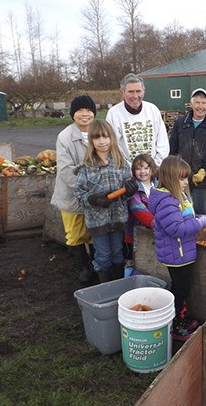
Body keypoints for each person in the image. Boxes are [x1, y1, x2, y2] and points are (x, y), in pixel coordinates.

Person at [148, 155, 206, 341]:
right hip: (176, 254)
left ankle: (180, 317)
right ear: (171, 178)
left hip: (181, 252)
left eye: (186, 177)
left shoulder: (176, 197)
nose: (185, 182)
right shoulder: (167, 202)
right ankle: (174, 324)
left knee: (183, 287)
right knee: (181, 288)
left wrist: (201, 216)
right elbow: (177, 228)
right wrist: (203, 221)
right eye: (181, 178)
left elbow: (185, 218)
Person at [74, 120, 139, 282]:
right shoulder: (87, 167)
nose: (102, 142)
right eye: (97, 138)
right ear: (91, 141)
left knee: (117, 253)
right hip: (98, 221)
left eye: (105, 137)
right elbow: (79, 194)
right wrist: (94, 199)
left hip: (118, 218)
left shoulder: (121, 163)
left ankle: (117, 286)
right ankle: (105, 287)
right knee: (103, 255)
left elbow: (127, 189)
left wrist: (130, 190)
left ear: (112, 138)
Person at [51, 95, 98, 284]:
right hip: (72, 194)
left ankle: (96, 264)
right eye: (80, 111)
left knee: (95, 230)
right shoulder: (65, 136)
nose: (84, 114)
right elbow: (64, 170)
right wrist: (86, 190)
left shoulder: (99, 131)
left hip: (96, 194)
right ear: (73, 115)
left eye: (88, 110)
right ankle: (83, 269)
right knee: (75, 233)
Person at [169, 88, 206, 214]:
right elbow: (172, 149)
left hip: (204, 183)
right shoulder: (180, 124)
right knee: (180, 213)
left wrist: (204, 171)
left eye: (203, 103)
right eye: (197, 102)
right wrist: (177, 171)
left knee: (202, 215)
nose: (200, 106)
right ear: (191, 104)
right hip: (181, 179)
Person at [106, 73, 169, 167]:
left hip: (153, 169)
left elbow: (162, 143)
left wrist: (154, 165)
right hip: (126, 171)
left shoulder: (153, 110)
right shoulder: (114, 113)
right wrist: (130, 168)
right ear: (122, 92)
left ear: (144, 91)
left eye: (138, 91)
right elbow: (113, 146)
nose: (135, 96)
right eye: (130, 92)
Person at [124, 153, 157, 269]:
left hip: (155, 228)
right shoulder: (133, 188)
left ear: (152, 169)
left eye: (146, 168)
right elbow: (137, 209)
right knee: (134, 258)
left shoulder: (157, 185)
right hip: (136, 231)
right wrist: (155, 223)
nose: (142, 171)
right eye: (138, 169)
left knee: (152, 257)